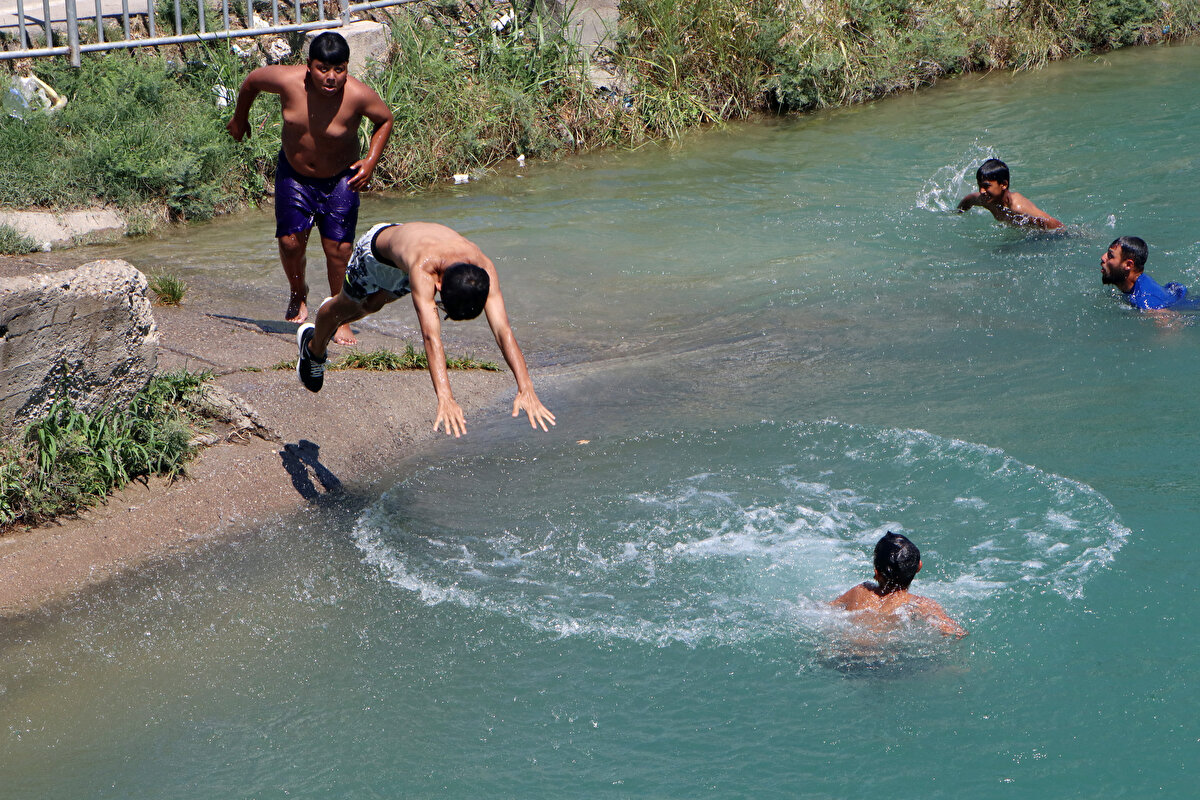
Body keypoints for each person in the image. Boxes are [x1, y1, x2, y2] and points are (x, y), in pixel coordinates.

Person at [295, 221, 557, 437]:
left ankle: (327, 330)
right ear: (439, 286)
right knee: (348, 308)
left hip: (403, 265)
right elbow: (431, 337)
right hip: (374, 256)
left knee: (372, 307)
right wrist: (445, 397)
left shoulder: (482, 270)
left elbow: (503, 331)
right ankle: (313, 347)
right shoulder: (424, 269)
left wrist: (525, 386)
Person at [226, 31, 394, 346]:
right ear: (309, 66)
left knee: (339, 250)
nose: (331, 78)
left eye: (339, 70)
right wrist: (239, 118)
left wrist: (370, 162)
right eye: (322, 69)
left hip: (341, 179)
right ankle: (297, 292)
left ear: (346, 68)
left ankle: (338, 311)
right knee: (290, 243)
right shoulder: (287, 81)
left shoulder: (358, 95)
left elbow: (385, 120)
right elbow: (251, 82)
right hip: (295, 174)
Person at [831, 531, 966, 637]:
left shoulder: (858, 591)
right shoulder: (920, 604)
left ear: (876, 573)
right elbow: (954, 632)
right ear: (919, 567)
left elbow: (824, 610)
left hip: (846, 651)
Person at [956, 158, 1063, 230]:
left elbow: (1055, 224)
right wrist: (956, 214)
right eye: (980, 186)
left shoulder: (1018, 207)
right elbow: (968, 200)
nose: (981, 191)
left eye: (986, 186)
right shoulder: (987, 200)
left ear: (1003, 184)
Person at [1101, 235, 1200, 311]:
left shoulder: (1145, 301)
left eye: (1110, 256)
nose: (1103, 257)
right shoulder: (1135, 285)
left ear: (1128, 265)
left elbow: (1172, 327)